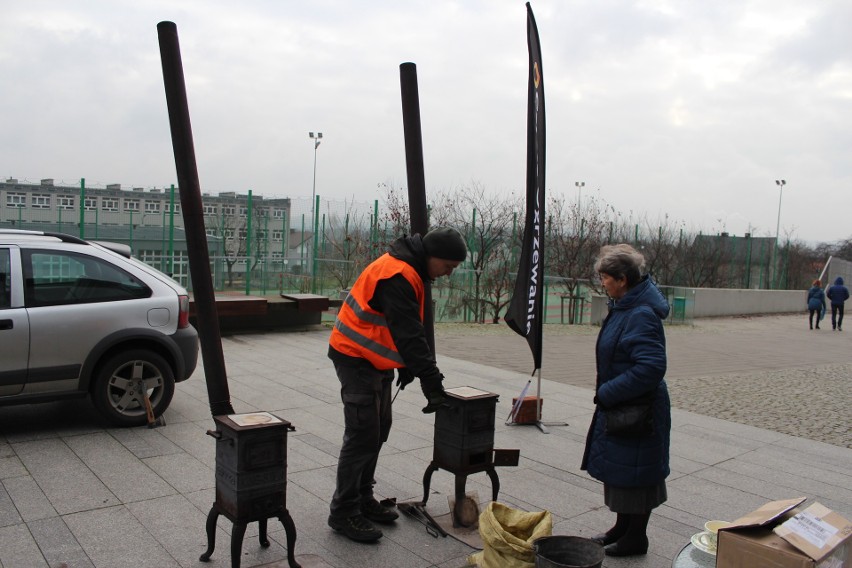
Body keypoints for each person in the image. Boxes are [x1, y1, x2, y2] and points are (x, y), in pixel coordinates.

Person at [326, 226, 467, 543]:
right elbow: (409, 334)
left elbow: (401, 327)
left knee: (379, 427)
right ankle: (343, 511)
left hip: (374, 358)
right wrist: (432, 381)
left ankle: (363, 497)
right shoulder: (399, 275)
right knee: (363, 434)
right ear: (433, 256)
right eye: (448, 266)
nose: (448, 273)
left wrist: (404, 365)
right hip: (355, 356)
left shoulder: (410, 269)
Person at [581, 244, 671, 557]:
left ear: (622, 279)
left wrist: (608, 392)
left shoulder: (641, 314)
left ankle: (636, 537)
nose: (602, 283)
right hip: (625, 404)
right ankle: (622, 528)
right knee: (623, 472)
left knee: (637, 475)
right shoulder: (625, 306)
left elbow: (651, 367)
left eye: (605, 278)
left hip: (638, 408)